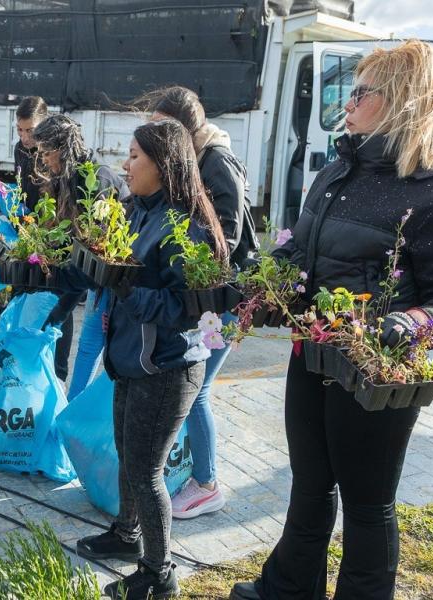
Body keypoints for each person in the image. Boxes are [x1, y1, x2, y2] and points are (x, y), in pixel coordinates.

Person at [230, 40, 433, 600]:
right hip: (313, 353)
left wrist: (414, 322)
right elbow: (302, 253)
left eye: (361, 91)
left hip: (375, 375)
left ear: (401, 100)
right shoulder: (339, 169)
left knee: (367, 505)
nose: (348, 101)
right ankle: (288, 588)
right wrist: (267, 284)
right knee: (310, 486)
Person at [63, 119, 228, 599]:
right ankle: (125, 534)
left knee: (146, 471)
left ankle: (159, 574)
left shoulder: (186, 225)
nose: (125, 164)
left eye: (135, 155)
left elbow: (183, 310)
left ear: (163, 164)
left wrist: (127, 289)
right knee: (127, 457)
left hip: (169, 366)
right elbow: (115, 268)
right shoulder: (137, 209)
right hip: (131, 360)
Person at [139, 86, 259, 518]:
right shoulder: (192, 160)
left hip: (222, 297)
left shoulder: (216, 162)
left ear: (184, 129)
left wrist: (185, 260)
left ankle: (207, 483)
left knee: (198, 389)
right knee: (193, 388)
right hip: (202, 297)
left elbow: (225, 237)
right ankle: (193, 472)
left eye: (161, 129)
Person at [33, 114, 129, 385]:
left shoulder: (94, 180)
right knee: (88, 343)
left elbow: (93, 252)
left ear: (64, 148)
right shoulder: (69, 176)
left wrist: (62, 294)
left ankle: (77, 413)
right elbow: (68, 239)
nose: (45, 160)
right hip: (94, 271)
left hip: (111, 274)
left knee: (94, 343)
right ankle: (72, 406)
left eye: (48, 153)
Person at [13, 96, 49, 211]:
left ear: (43, 124)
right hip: (26, 219)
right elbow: (19, 184)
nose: (25, 138)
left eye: (30, 130)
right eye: (20, 130)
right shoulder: (19, 149)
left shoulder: (52, 152)